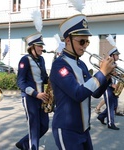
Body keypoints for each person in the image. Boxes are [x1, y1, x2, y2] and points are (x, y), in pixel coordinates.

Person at [49, 13, 116, 149]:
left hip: (84, 129)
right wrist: (102, 73)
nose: (85, 46)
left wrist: (107, 78)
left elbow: (95, 93)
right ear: (68, 40)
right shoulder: (60, 65)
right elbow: (78, 94)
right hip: (67, 130)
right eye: (81, 41)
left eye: (87, 41)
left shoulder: (82, 64)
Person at [16, 33, 49, 150]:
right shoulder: (24, 60)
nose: (42, 48)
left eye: (42, 46)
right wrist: (36, 94)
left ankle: (23, 143)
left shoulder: (41, 59)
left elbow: (44, 78)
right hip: (30, 98)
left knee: (44, 126)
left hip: (42, 98)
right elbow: (20, 82)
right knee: (34, 127)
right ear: (32, 47)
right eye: (39, 46)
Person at [97, 48, 122, 130]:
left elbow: (114, 75)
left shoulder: (114, 64)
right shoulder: (108, 64)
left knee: (114, 105)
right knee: (111, 106)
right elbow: (105, 76)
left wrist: (119, 76)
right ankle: (110, 123)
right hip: (107, 88)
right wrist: (111, 85)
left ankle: (101, 116)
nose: (118, 56)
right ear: (112, 55)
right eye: (117, 55)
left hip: (114, 88)